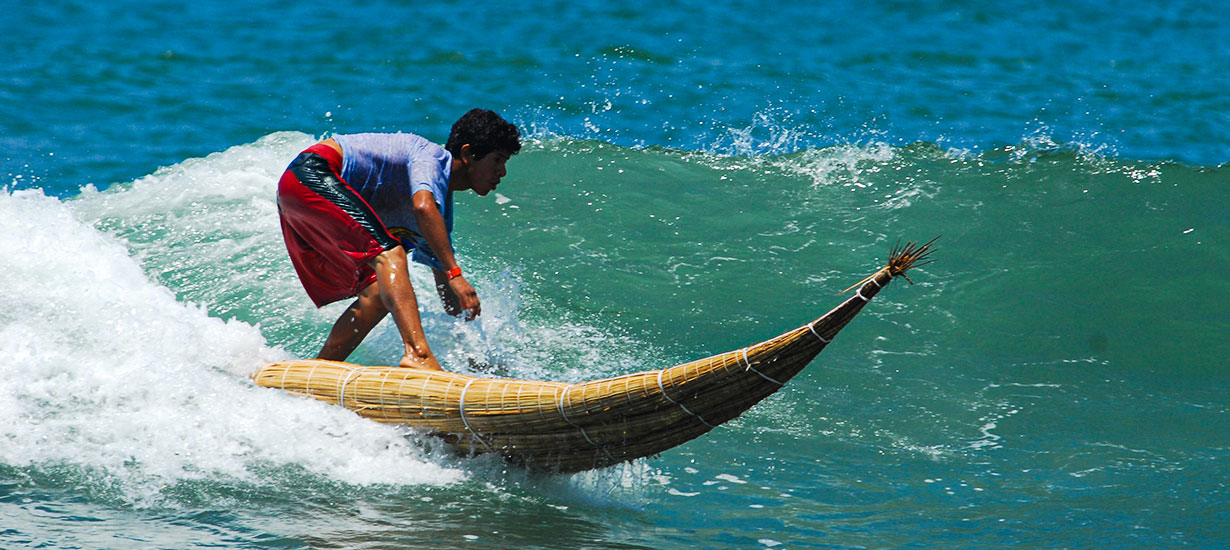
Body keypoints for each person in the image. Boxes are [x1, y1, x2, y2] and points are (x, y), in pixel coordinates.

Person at [276, 108, 522, 370]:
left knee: (378, 295)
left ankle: (319, 370)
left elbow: (449, 295)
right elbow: (423, 207)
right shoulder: (430, 156)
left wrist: (477, 356)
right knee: (391, 254)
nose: (503, 171)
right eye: (497, 160)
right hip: (311, 173)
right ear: (467, 154)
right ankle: (418, 354)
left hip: (300, 192)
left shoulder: (439, 214)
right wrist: (456, 273)